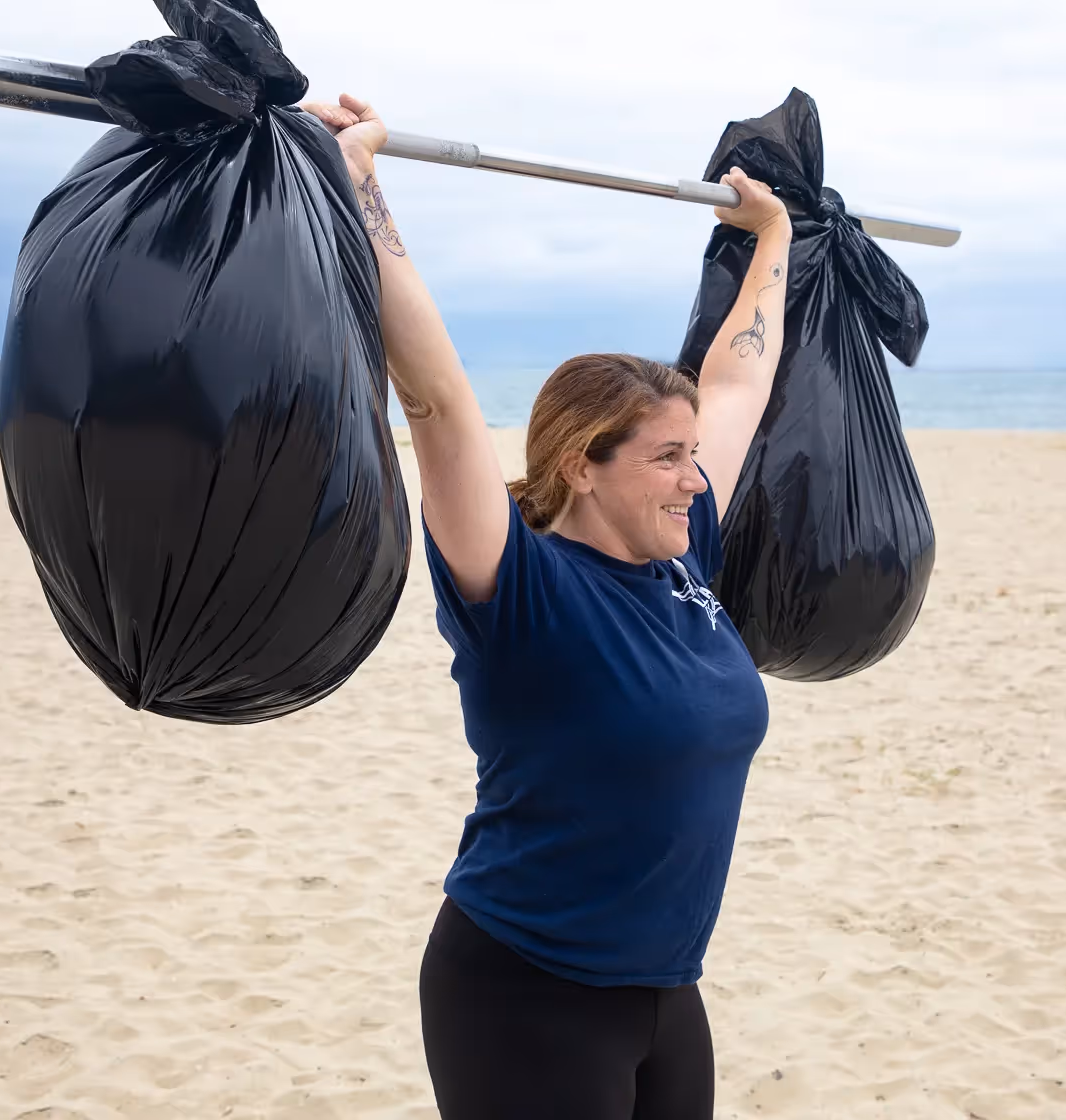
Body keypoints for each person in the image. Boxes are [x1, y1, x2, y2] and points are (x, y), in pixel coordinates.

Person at [301, 92, 791, 1120]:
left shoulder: (683, 556)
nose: (694, 480)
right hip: (523, 991)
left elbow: (737, 383)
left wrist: (774, 239)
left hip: (664, 990)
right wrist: (362, 186)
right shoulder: (517, 586)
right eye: (668, 458)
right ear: (581, 463)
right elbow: (434, 394)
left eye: (692, 457)